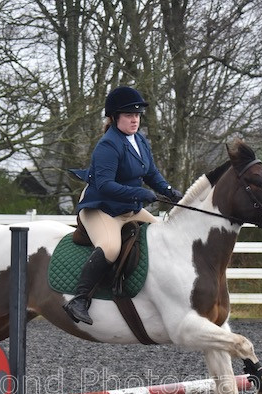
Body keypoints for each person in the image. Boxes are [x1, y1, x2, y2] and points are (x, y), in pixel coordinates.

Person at [63, 85, 183, 325]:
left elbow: (150, 172)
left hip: (128, 207)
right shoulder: (108, 145)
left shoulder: (139, 139)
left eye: (137, 115)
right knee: (110, 247)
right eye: (129, 115)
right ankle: (79, 299)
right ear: (115, 117)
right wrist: (140, 193)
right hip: (101, 207)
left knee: (162, 233)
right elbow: (106, 185)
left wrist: (169, 192)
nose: (135, 119)